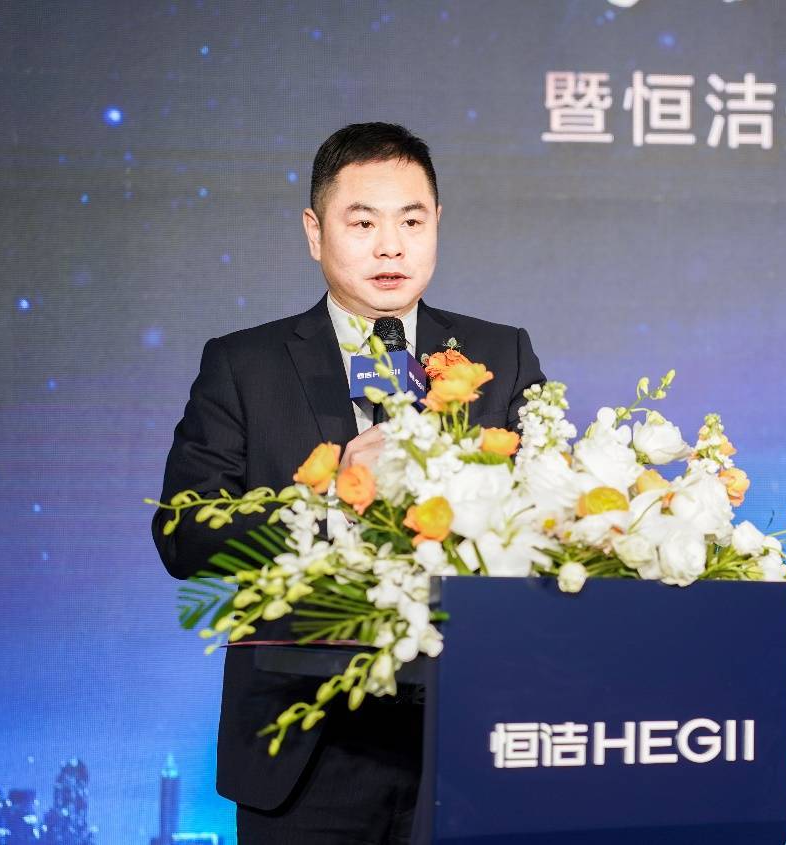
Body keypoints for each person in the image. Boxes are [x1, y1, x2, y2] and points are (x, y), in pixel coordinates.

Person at [152, 122, 546, 844]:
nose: (390, 246)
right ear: (315, 231)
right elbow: (183, 532)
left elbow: (545, 513)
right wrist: (331, 498)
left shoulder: (500, 354)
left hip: (465, 737)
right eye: (362, 223)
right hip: (306, 751)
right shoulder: (245, 366)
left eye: (411, 221)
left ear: (437, 225)